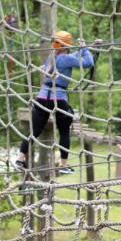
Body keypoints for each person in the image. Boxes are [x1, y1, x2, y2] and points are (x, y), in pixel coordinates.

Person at [15, 31, 95, 174]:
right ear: (66, 45)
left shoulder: (51, 57)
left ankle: (20, 158)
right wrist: (84, 48)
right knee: (64, 131)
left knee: (34, 131)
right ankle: (63, 164)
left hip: (42, 98)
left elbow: (72, 57)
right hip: (58, 98)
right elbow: (89, 63)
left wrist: (86, 48)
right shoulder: (66, 58)